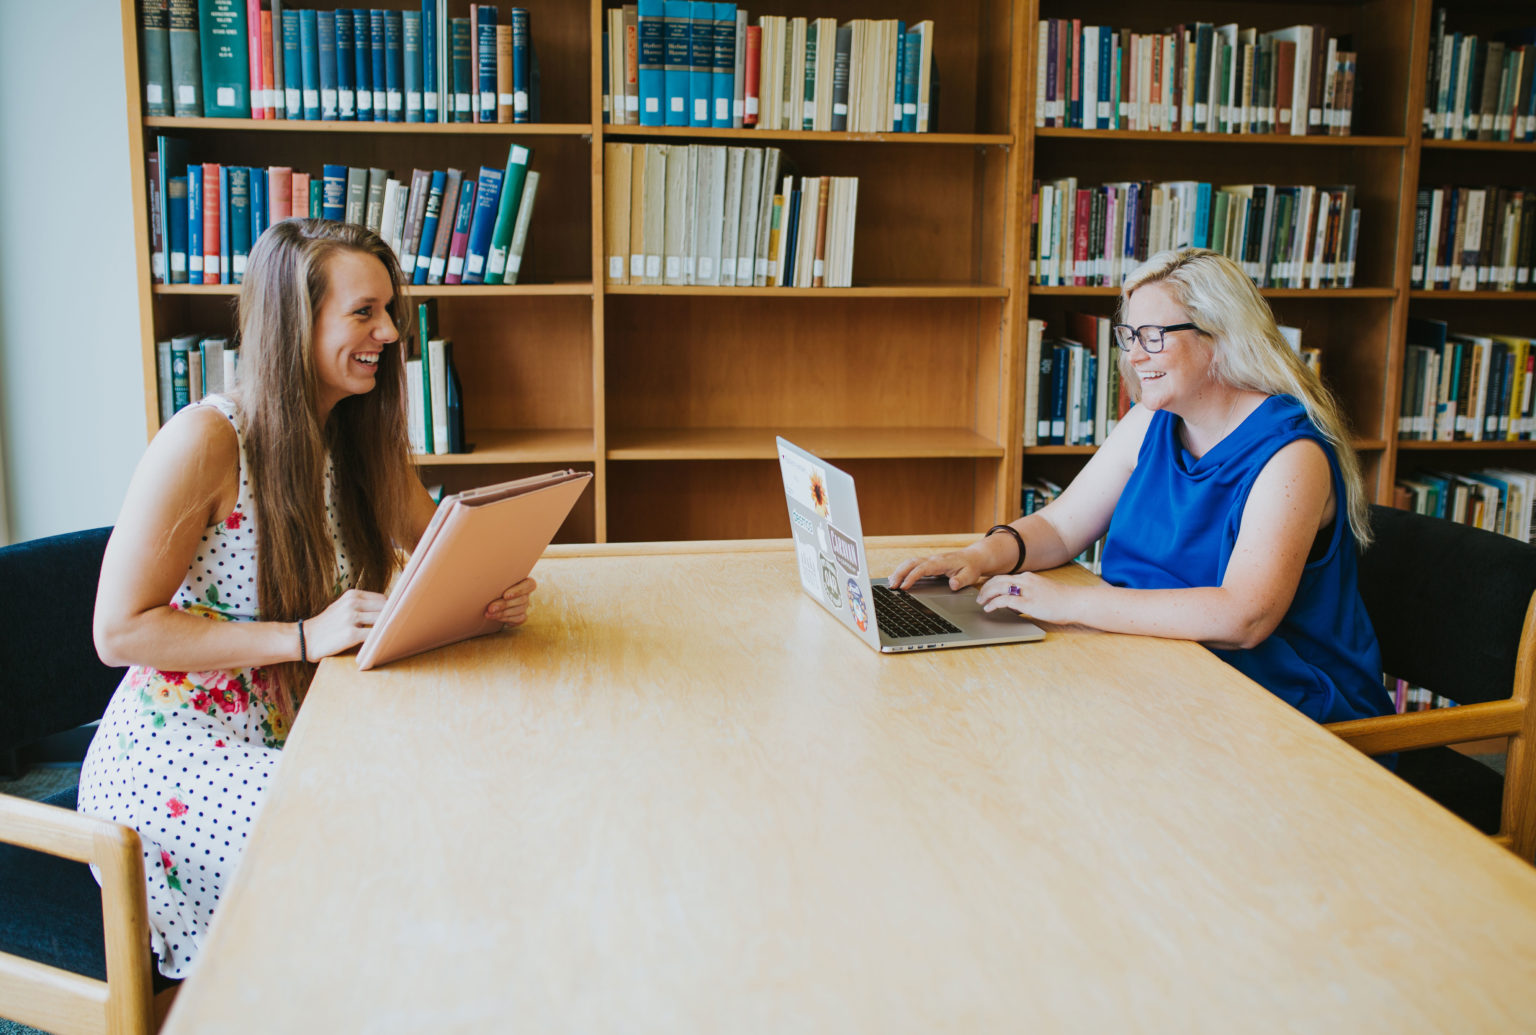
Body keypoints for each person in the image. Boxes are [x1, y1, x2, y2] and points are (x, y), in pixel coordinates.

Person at [78, 219, 536, 979]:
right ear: (298, 319)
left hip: (298, 722)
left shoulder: (352, 431)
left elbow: (440, 546)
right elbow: (119, 630)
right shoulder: (207, 440)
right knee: (383, 851)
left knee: (465, 798)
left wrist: (489, 587)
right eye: (365, 312)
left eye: (390, 311)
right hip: (170, 759)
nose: (390, 331)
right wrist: (300, 636)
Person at [892, 248, 1392, 726]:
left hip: (1279, 705)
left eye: (1153, 336)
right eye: (1129, 335)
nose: (1133, 356)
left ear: (1219, 336)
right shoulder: (1152, 419)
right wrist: (980, 556)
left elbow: (1244, 619)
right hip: (1156, 665)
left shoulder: (1291, 455)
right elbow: (1061, 528)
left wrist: (1070, 605)